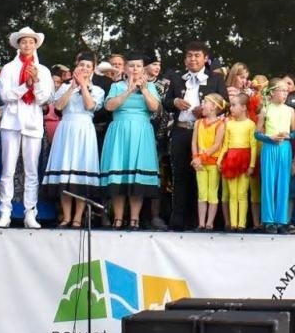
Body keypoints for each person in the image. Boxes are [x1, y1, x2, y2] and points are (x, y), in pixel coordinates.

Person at [163, 41, 225, 232]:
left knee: (204, 177)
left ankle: (202, 221)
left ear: (205, 58)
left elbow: (225, 104)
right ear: (185, 59)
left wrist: (206, 112)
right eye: (189, 55)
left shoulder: (215, 79)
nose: (193, 59)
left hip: (206, 133)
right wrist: (175, 101)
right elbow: (165, 103)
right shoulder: (177, 78)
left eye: (197, 55)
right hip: (181, 130)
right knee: (180, 175)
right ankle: (178, 221)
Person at [43, 53, 106, 229]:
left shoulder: (98, 90)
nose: (84, 68)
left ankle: (78, 218)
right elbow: (58, 107)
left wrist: (84, 86)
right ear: (76, 66)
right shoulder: (64, 87)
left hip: (85, 129)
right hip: (66, 128)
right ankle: (66, 216)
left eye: (88, 66)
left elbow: (90, 106)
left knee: (81, 175)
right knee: (65, 173)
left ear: (93, 69)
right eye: (82, 65)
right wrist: (72, 87)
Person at [100, 52, 163, 229]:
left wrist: (143, 89)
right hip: (120, 132)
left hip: (141, 131)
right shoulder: (116, 86)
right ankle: (118, 218)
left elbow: (155, 108)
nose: (135, 69)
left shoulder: (150, 87)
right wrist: (129, 91)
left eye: (138, 66)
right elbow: (109, 106)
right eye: (131, 66)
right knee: (119, 176)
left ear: (143, 69)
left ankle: (134, 218)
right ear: (125, 68)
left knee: (137, 177)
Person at [0, 26, 48, 229]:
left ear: (35, 45)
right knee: (8, 169)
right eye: (24, 41)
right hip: (11, 122)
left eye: (31, 42)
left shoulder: (43, 70)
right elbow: (4, 96)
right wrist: (26, 85)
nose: (27, 45)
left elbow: (44, 99)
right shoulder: (9, 68)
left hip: (33, 123)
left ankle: (30, 213)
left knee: (31, 171)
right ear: (18, 45)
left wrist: (36, 82)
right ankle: (5, 212)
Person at [255, 77, 295, 232]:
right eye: (281, 90)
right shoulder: (265, 110)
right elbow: (257, 133)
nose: (285, 93)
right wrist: (269, 138)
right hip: (269, 147)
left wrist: (288, 136)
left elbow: (294, 132)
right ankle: (268, 220)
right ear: (272, 92)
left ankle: (281, 220)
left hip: (284, 148)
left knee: (283, 183)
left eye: (286, 91)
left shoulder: (290, 111)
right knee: (268, 183)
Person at [220, 95, 259, 231]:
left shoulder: (250, 124)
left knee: (242, 193)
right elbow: (225, 144)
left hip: (244, 159)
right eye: (231, 105)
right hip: (231, 159)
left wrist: (252, 165)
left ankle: (241, 224)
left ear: (243, 107)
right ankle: (233, 223)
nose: (231, 108)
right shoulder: (229, 124)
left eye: (233, 105)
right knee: (232, 194)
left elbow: (253, 146)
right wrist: (220, 160)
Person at [190, 92, 227, 231]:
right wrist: (195, 157)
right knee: (202, 193)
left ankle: (209, 223)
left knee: (212, 193)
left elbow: (217, 145)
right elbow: (194, 142)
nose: (202, 105)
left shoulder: (220, 124)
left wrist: (202, 157)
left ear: (213, 107)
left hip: (212, 163)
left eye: (205, 102)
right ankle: (201, 223)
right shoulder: (198, 123)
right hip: (200, 163)